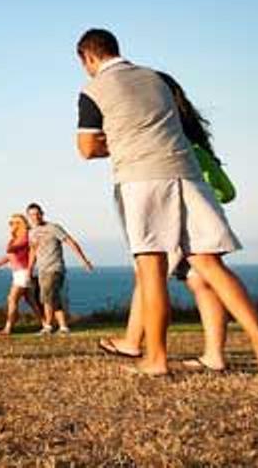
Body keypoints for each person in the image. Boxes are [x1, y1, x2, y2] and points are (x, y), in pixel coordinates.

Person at [75, 28, 258, 385]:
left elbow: (87, 149)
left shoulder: (93, 89)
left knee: (151, 269)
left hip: (140, 178)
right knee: (210, 263)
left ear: (87, 57)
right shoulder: (158, 79)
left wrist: (117, 142)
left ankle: (156, 360)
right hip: (187, 174)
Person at [98, 71, 242, 372]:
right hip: (205, 215)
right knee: (203, 283)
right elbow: (226, 191)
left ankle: (133, 342)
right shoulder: (194, 141)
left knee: (149, 275)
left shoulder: (169, 143)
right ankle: (214, 354)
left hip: (179, 214)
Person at [25, 202, 94, 335]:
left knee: (47, 296)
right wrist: (29, 270)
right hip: (42, 270)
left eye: (37, 214)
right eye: (32, 215)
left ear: (42, 214)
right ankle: (63, 327)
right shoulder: (32, 233)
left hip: (55, 268)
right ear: (28, 216)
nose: (35, 217)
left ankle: (48, 327)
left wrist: (84, 261)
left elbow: (71, 242)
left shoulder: (53, 228)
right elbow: (33, 251)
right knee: (52, 297)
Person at [0, 213, 45, 337]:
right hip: (18, 273)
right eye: (10, 223)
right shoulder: (16, 238)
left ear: (21, 224)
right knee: (31, 300)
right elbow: (9, 257)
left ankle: (7, 329)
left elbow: (13, 250)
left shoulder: (26, 236)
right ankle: (46, 325)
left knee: (12, 298)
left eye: (15, 223)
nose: (11, 225)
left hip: (24, 272)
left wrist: (12, 246)